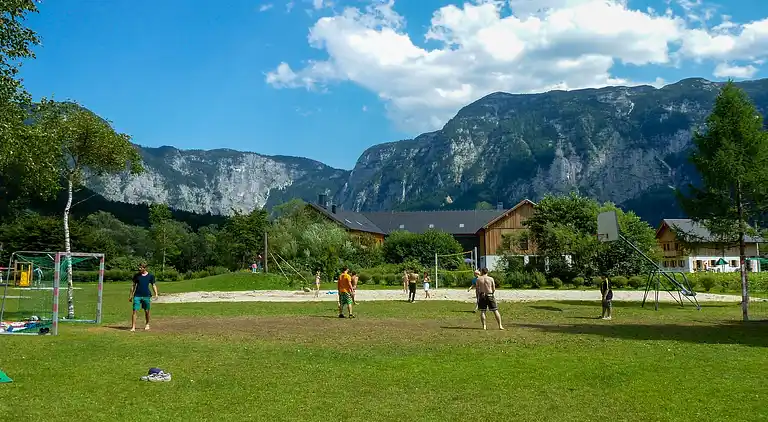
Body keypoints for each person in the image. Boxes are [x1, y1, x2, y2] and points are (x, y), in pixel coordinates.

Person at [129, 263, 158, 332]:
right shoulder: (136, 276)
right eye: (139, 267)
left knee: (147, 311)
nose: (139, 269)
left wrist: (156, 294)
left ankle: (147, 324)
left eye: (141, 268)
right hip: (137, 296)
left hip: (146, 296)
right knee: (134, 310)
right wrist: (130, 295)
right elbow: (133, 286)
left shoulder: (150, 276)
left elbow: (153, 285)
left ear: (145, 268)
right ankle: (133, 327)